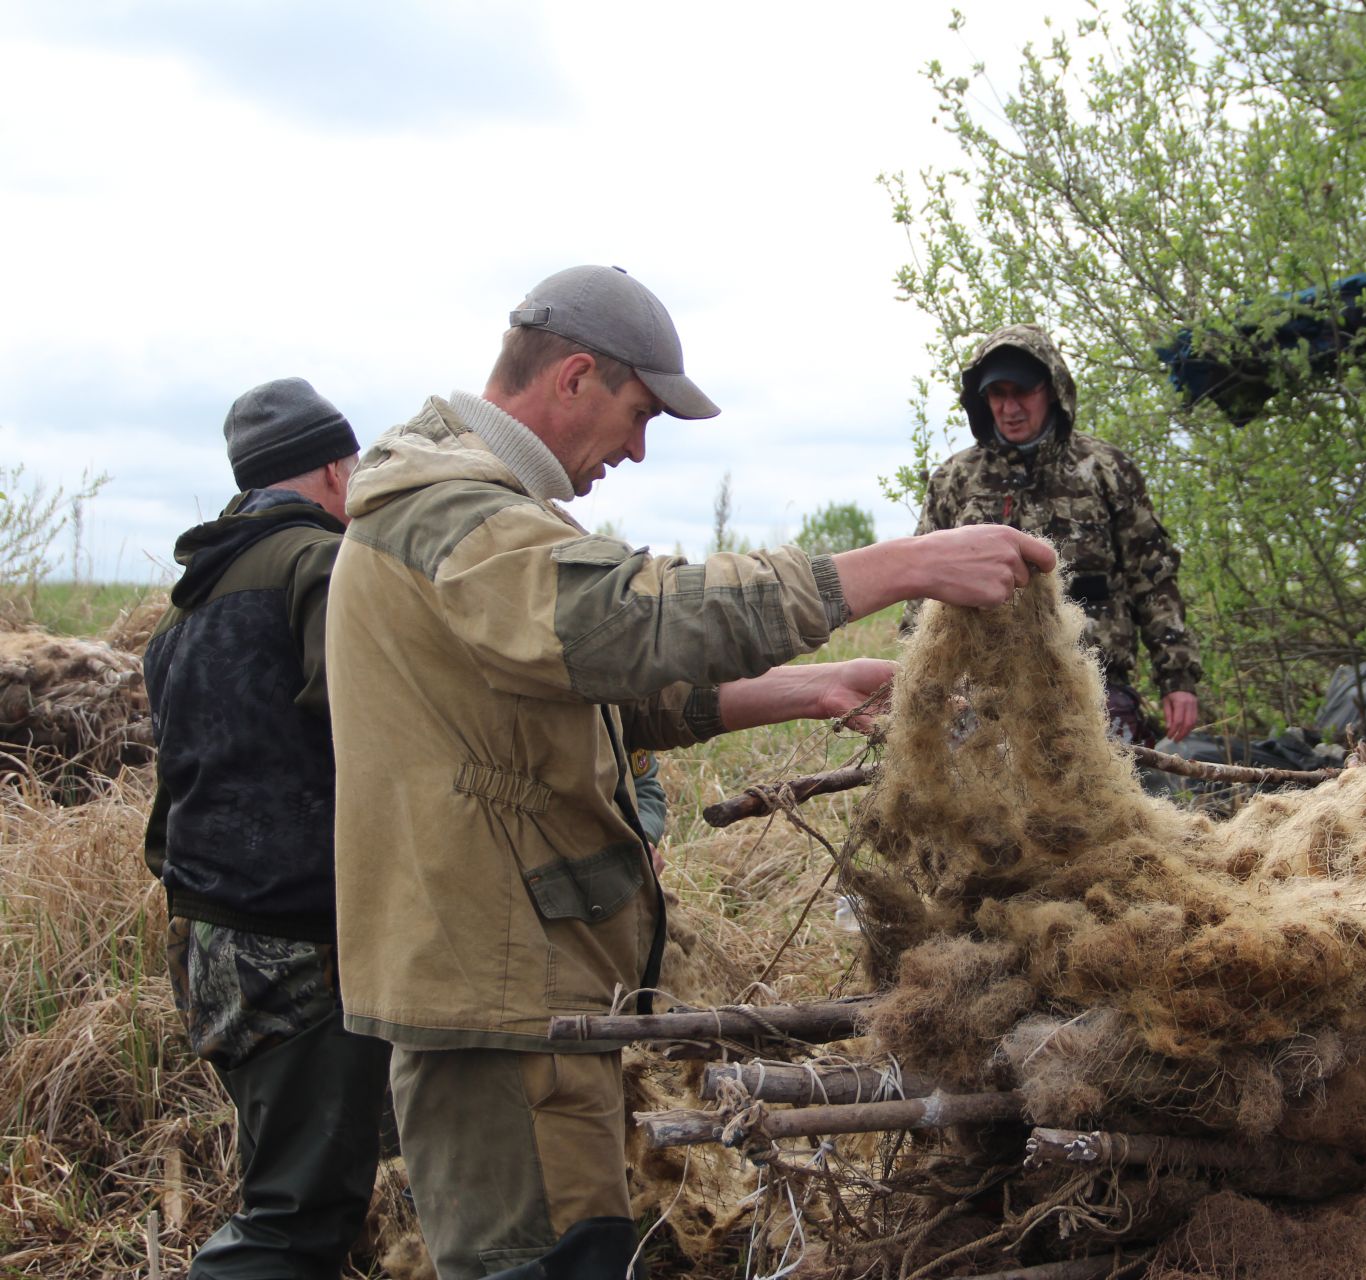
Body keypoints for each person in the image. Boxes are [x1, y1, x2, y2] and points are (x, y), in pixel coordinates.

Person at [324, 265, 1056, 1280]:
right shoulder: (452, 515)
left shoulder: (476, 511)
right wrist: (898, 565)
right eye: (638, 413)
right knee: (545, 1262)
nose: (636, 446)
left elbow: (606, 697)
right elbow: (631, 617)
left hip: (519, 982)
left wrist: (806, 686)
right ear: (574, 375)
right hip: (497, 992)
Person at [142, 378, 390, 1279]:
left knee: (298, 1183)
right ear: (332, 466)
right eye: (356, 464)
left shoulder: (186, 606)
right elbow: (373, 735)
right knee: (297, 1218)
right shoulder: (320, 567)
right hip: (297, 945)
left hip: (212, 943)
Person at [908, 324, 1202, 744]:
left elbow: (1152, 578)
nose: (1010, 408)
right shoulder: (954, 480)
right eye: (997, 394)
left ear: (1053, 390)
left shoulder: (1107, 469)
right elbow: (921, 591)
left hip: (1093, 687)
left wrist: (1178, 678)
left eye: (1022, 391)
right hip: (982, 693)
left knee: (1108, 804)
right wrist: (915, 689)